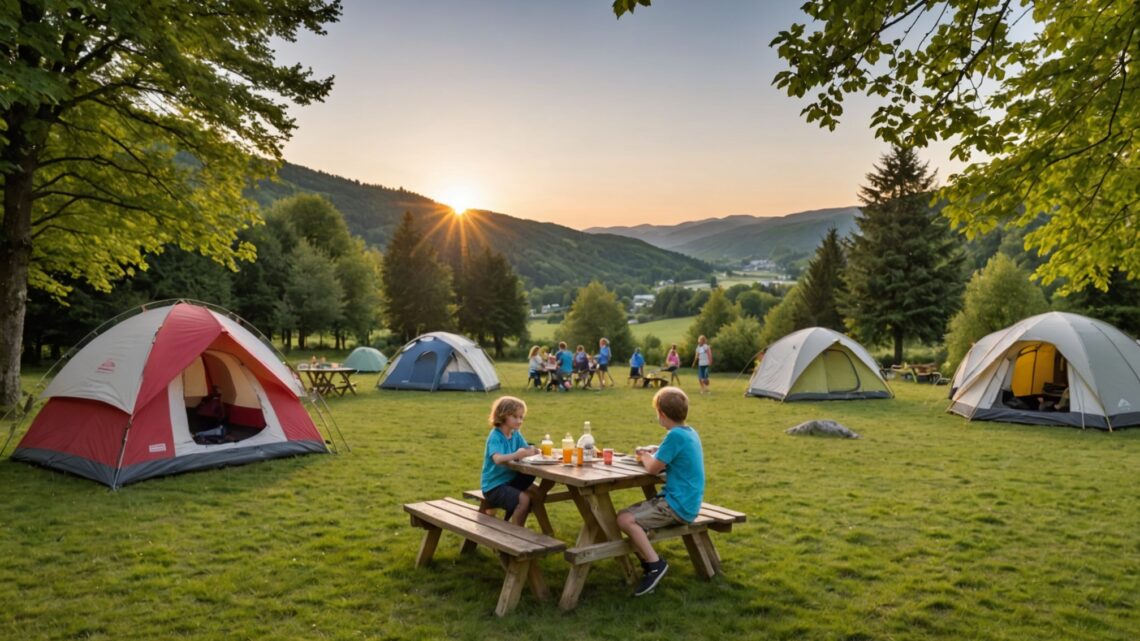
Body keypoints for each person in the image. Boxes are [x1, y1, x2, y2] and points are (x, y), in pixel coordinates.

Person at [616, 387, 704, 596]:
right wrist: (655, 450)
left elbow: (653, 468)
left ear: (661, 414)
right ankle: (648, 559)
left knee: (624, 519)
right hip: (688, 502)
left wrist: (644, 456)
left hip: (678, 505)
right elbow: (672, 452)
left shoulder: (675, 436)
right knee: (625, 516)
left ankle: (655, 565)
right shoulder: (688, 432)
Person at [481, 396, 538, 526]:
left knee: (536, 494)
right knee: (524, 499)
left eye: (521, 417)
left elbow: (526, 448)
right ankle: (515, 533)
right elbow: (497, 459)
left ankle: (513, 526)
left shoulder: (515, 433)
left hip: (510, 481)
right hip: (493, 485)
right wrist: (516, 454)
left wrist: (534, 451)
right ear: (502, 415)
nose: (519, 421)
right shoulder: (495, 436)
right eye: (515, 416)